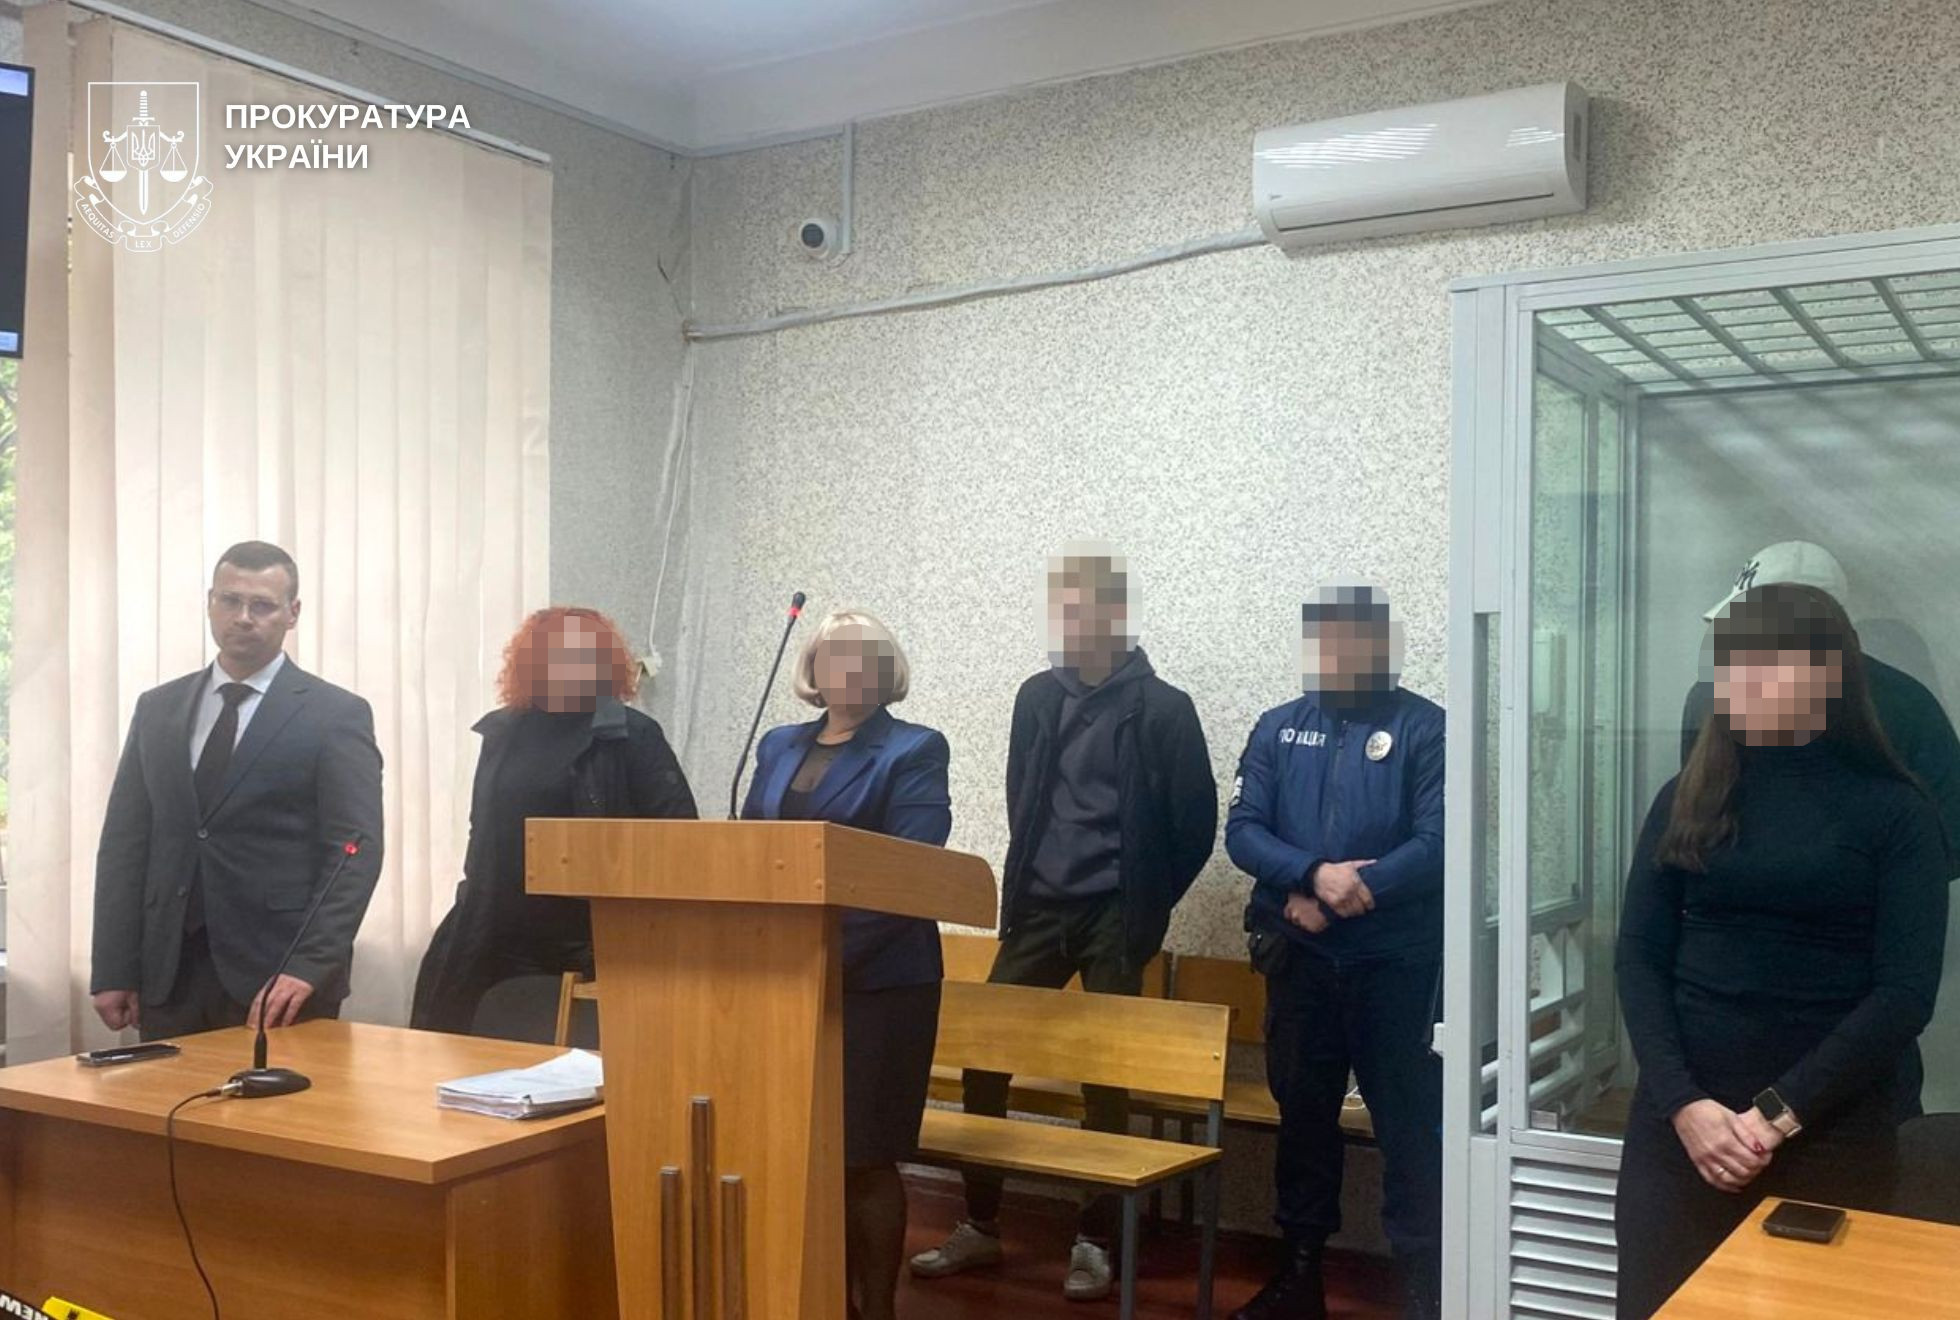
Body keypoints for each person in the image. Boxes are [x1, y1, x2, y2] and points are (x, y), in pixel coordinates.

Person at [1616, 583, 1949, 1320]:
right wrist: (1685, 1105)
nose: (1741, 679)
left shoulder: (1897, 813)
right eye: (1731, 662)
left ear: (1829, 675)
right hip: (1680, 1132)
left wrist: (1772, 1118)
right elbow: (1638, 956)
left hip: (1826, 1135)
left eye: (1768, 660)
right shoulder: (1686, 797)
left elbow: (1903, 995)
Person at [909, 545, 1216, 1301]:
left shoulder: (1164, 708)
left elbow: (1193, 825)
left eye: (1083, 609)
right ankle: (981, 1222)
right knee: (985, 1057)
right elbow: (1024, 796)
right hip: (1041, 908)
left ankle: (1095, 1238)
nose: (1070, 622)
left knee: (1104, 1076)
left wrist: (1142, 903)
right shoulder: (1037, 697)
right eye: (1062, 610)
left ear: (1117, 616)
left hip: (1115, 915)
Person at [1225, 581, 1445, 1320]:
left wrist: (1340, 895)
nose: (1338, 656)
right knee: (1304, 1121)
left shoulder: (1428, 729)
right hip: (1302, 968)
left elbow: (1438, 844)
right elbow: (1244, 832)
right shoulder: (1279, 728)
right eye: (1326, 643)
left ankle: (1424, 1289)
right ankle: (1300, 1278)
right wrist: (1310, 874)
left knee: (1411, 1132)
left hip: (1398, 970)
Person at [1682, 541, 1960, 1120]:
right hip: (1725, 1031)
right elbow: (1689, 843)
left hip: (1853, 1011)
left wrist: (1849, 891)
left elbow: (1946, 840)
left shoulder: (1907, 707)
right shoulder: (1709, 702)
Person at [742, 609, 950, 1320]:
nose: (849, 669)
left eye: (865, 658)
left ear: (886, 673)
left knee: (862, 1154)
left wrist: (818, 957)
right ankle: (820, 1299)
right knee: (797, 1147)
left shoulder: (914, 749)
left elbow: (906, 875)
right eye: (835, 656)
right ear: (814, 670)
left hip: (879, 981)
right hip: (783, 978)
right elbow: (754, 854)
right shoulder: (777, 745)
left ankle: (876, 1309)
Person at [91, 541, 385, 1040]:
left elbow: (354, 852)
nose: (243, 617)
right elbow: (125, 842)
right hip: (169, 973)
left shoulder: (335, 714)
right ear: (210, 602)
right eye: (230, 600)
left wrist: (310, 965)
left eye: (262, 605)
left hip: (280, 977)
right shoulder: (159, 708)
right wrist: (114, 967)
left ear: (292, 613)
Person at [412, 607, 697, 1035]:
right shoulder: (502, 733)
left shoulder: (632, 734)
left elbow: (678, 839)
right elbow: (482, 831)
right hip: (496, 933)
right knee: (464, 1054)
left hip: (596, 945)